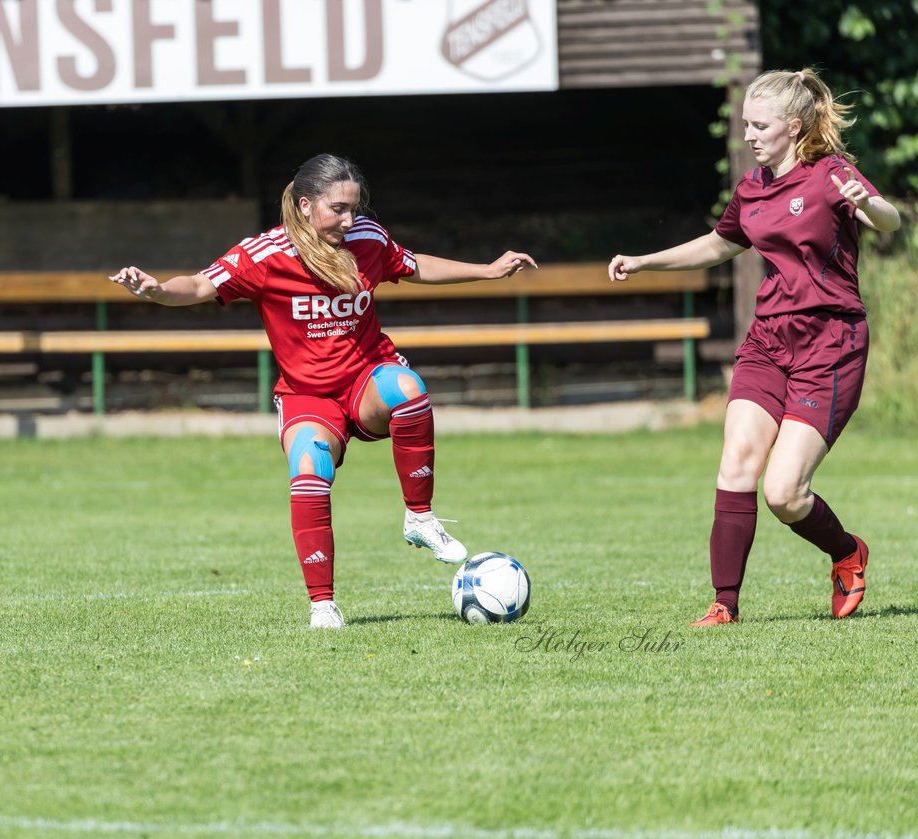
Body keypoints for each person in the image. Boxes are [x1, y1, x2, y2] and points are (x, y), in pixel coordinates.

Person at [111, 153, 536, 628]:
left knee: (408, 389)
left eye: (354, 208)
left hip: (365, 378)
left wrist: (487, 270)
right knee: (308, 468)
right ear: (307, 205)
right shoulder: (265, 255)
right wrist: (155, 290)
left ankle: (419, 519)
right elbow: (198, 286)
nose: (350, 220)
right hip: (307, 397)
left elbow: (414, 266)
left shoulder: (367, 239)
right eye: (339, 209)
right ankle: (323, 606)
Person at [608, 69, 902, 626]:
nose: (748, 134)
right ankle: (725, 605)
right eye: (745, 124)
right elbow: (719, 245)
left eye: (759, 125)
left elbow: (883, 220)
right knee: (737, 462)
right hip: (768, 342)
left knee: (785, 493)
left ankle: (846, 551)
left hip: (830, 345)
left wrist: (870, 200)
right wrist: (646, 261)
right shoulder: (752, 187)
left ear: (794, 126)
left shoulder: (830, 174)